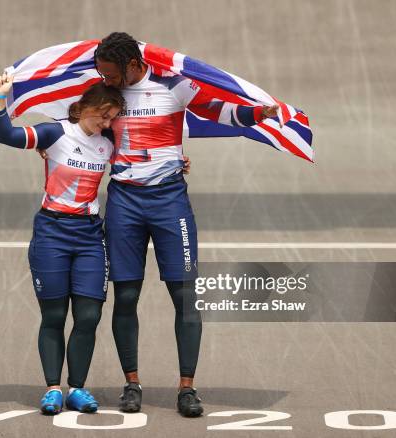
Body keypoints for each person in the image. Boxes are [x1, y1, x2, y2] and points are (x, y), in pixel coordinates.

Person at [94, 32, 279, 417]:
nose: (106, 80)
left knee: (185, 297)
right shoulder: (103, 93)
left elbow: (218, 110)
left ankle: (187, 389)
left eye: (112, 73)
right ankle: (132, 384)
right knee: (126, 297)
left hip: (169, 202)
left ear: (132, 65)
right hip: (124, 203)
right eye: (102, 73)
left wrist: (256, 115)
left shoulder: (173, 86)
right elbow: (80, 127)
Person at [0, 71, 124, 415]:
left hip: (90, 237)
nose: (106, 122)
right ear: (82, 108)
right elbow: (5, 135)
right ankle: (53, 388)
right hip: (52, 233)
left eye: (112, 118)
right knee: (53, 315)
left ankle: (77, 388)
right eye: (103, 115)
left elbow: (140, 163)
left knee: (89, 315)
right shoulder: (54, 133)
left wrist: (177, 164)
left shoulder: (107, 143)